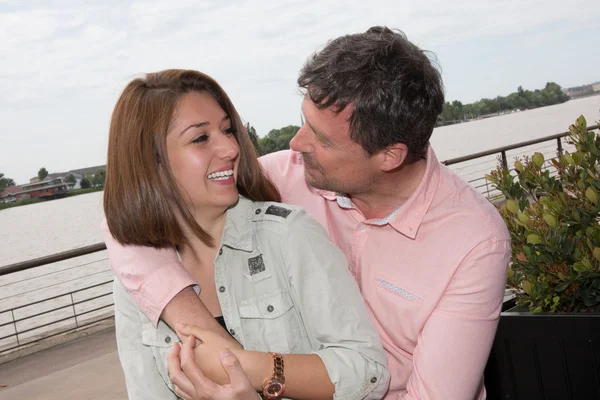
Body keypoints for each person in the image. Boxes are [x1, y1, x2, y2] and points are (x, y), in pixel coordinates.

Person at [103, 26, 511, 400]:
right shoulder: (283, 176)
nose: (297, 144)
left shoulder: (474, 242)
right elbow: (132, 219)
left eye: (322, 138)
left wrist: (245, 371)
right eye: (304, 122)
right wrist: (197, 326)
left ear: (389, 156)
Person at [103, 69, 390, 400]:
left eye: (227, 130)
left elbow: (367, 371)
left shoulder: (288, 236)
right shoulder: (135, 283)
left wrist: (247, 369)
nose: (230, 148)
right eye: (200, 138)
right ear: (150, 164)